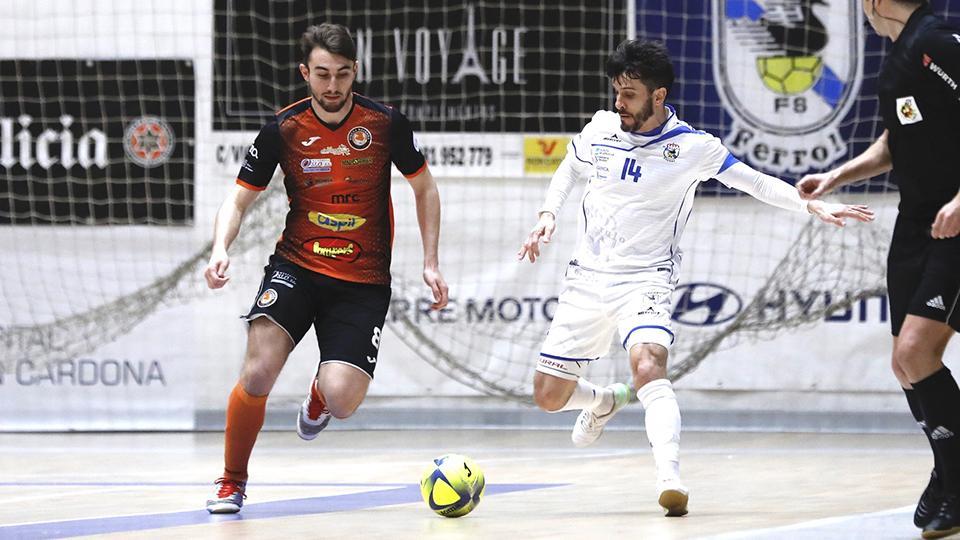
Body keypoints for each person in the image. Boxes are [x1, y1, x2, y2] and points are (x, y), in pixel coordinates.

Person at [518, 38, 874, 518]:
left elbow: (754, 181)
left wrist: (810, 204)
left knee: (648, 366)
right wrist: (547, 215)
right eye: (616, 92)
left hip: (645, 280)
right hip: (587, 278)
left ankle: (670, 478)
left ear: (658, 96)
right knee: (548, 396)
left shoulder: (692, 147)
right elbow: (568, 169)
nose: (618, 103)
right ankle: (602, 400)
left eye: (629, 95)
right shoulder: (601, 127)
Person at [202, 23, 448, 514]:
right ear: (304, 73)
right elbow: (238, 199)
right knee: (258, 371)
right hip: (297, 266)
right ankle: (231, 480)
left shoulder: (384, 124)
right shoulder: (283, 129)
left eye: (341, 74)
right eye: (321, 75)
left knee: (343, 399)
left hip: (362, 280)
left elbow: (425, 189)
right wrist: (218, 248)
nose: (332, 86)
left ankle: (318, 396)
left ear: (355, 70)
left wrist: (430, 262)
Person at [796, 0, 960, 536]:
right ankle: (949, 471)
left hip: (954, 222)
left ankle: (955, 478)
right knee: (903, 362)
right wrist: (838, 175)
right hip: (916, 222)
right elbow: (897, 140)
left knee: (917, 351)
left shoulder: (936, 40)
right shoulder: (898, 51)